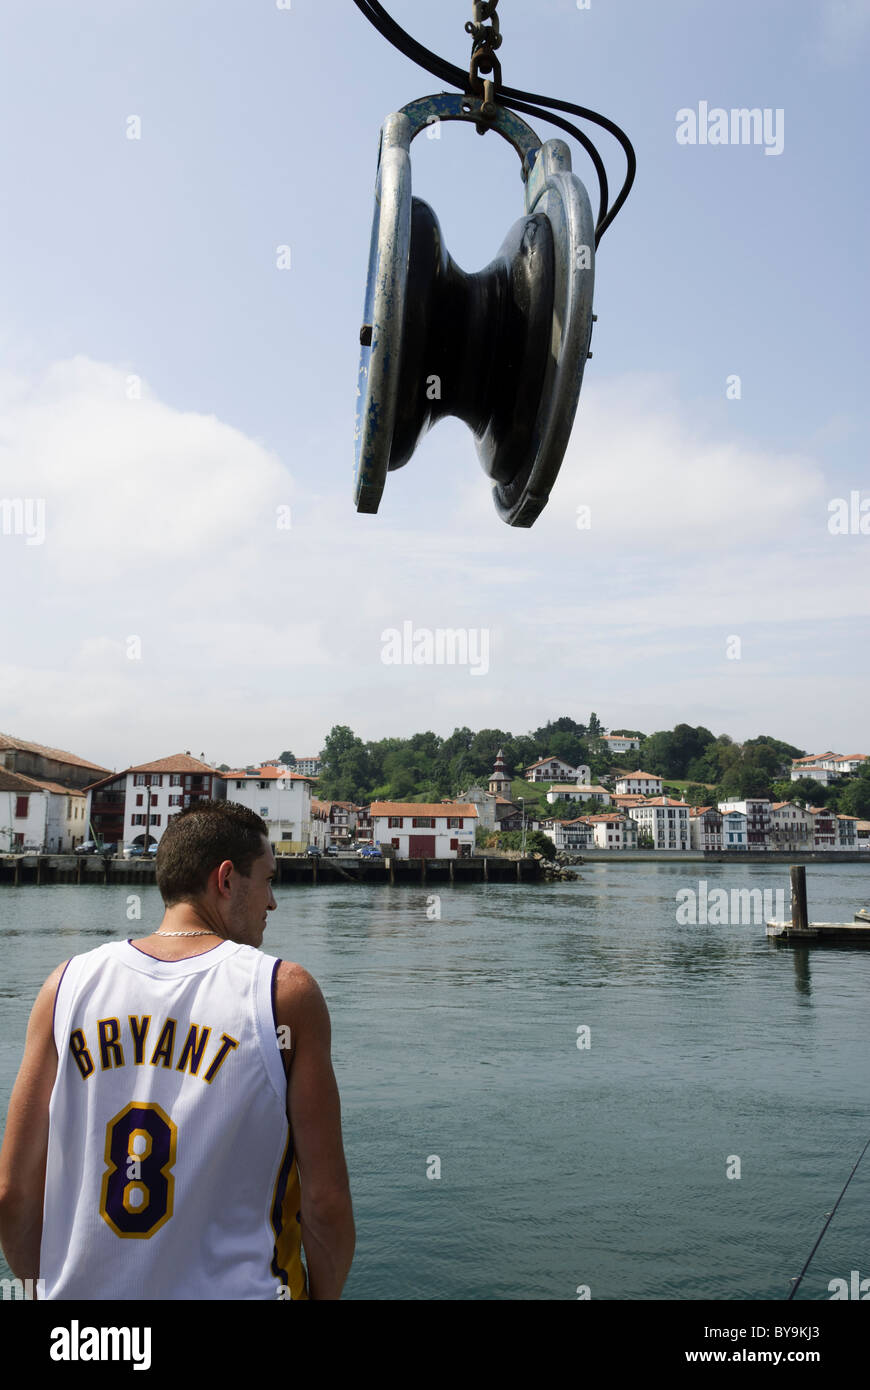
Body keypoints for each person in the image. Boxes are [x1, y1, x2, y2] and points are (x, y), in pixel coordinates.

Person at [0, 800, 355, 1300]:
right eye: (268, 880)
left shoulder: (64, 987)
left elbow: (13, 1194)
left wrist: (40, 1292)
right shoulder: (283, 995)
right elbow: (325, 1202)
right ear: (226, 879)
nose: (272, 902)